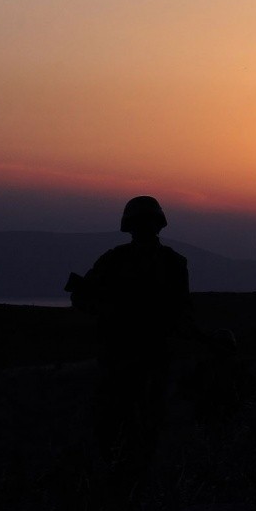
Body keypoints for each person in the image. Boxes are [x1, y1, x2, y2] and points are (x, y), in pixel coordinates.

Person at [66, 195, 199, 479]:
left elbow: (182, 311)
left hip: (143, 358)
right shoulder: (134, 261)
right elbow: (82, 298)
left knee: (140, 428)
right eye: (142, 223)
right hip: (124, 358)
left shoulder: (149, 262)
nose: (145, 228)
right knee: (121, 427)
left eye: (146, 222)